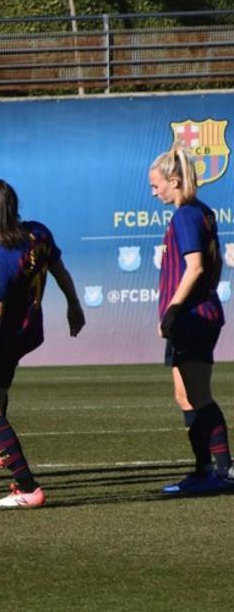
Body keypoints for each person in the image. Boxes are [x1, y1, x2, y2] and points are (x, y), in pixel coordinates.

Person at [0, 180, 85, 509]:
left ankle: (27, 486)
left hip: (7, 337)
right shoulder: (38, 233)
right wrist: (74, 305)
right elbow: (58, 269)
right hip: (28, 331)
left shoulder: (2, 257)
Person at [148, 146, 228, 493]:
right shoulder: (201, 212)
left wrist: (173, 309)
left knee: (198, 395)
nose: (154, 192)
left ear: (174, 181)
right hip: (198, 315)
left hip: (193, 317)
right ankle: (203, 470)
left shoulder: (186, 215)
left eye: (156, 185)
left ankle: (221, 471)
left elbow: (195, 266)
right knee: (185, 395)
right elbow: (215, 263)